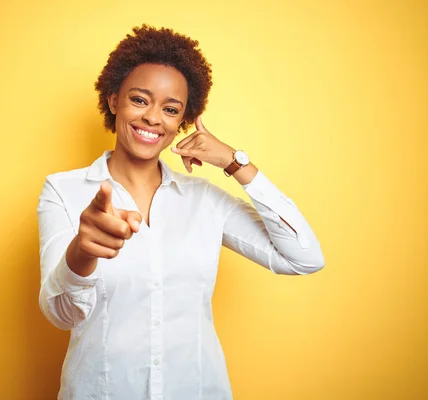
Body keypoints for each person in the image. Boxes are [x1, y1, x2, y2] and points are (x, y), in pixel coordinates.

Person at [37, 25, 324, 400]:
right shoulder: (63, 190)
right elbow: (62, 315)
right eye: (139, 100)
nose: (154, 118)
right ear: (113, 100)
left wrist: (234, 162)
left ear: (181, 121)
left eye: (170, 109)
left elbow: (304, 257)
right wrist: (82, 252)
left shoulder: (205, 200)